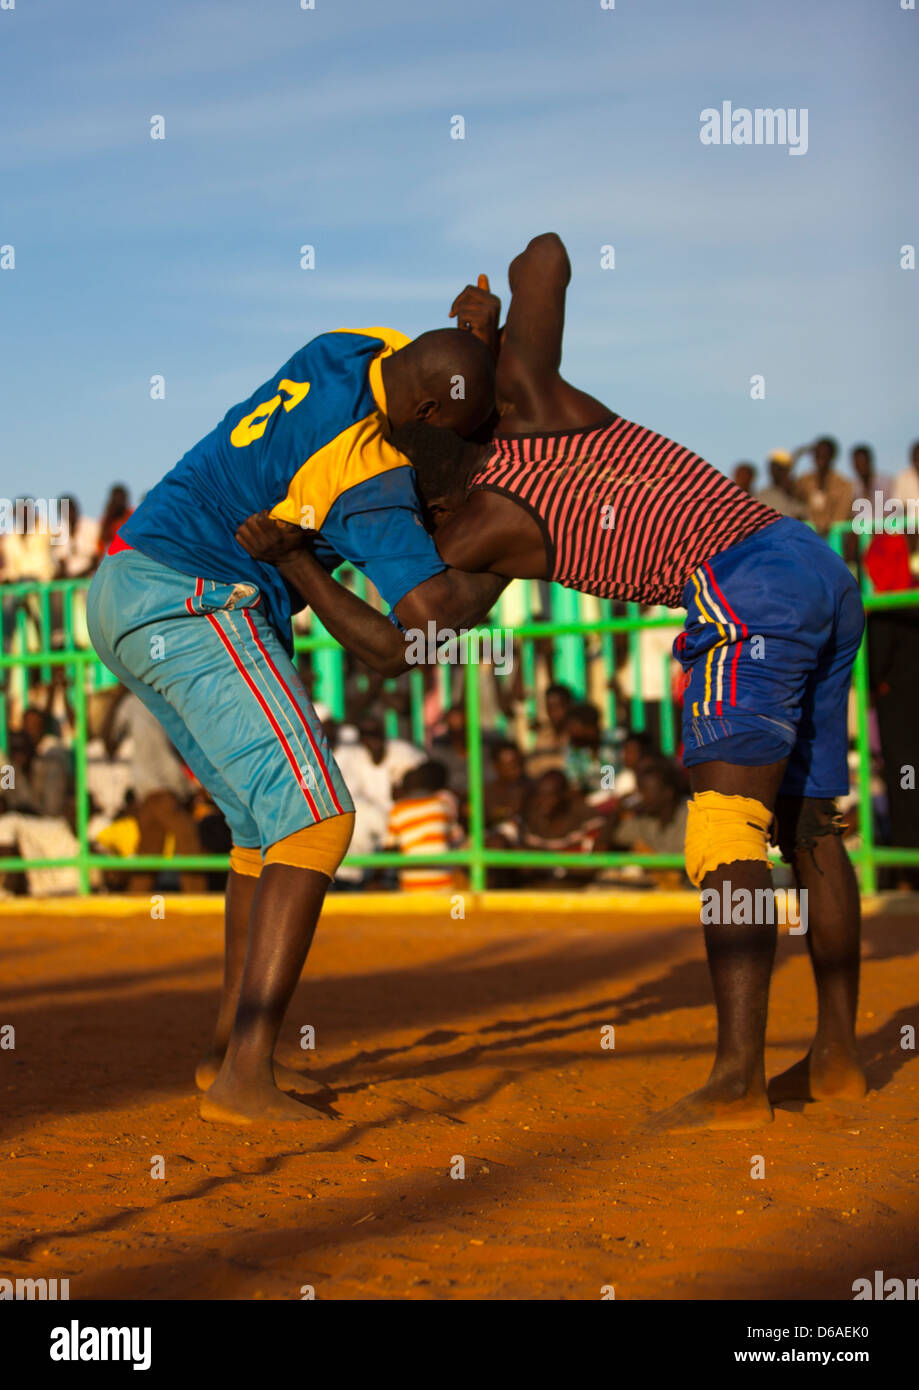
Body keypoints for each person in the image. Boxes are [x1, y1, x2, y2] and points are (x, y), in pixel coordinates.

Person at [268, 235, 866, 1132]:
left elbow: (399, 644)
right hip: (813, 568)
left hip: (739, 587)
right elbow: (544, 255)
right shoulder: (534, 401)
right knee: (808, 823)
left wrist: (302, 571)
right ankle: (836, 1058)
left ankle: (738, 1075)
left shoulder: (468, 540)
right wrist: (490, 333)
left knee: (724, 827)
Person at [88, 324, 503, 1126]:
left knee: (262, 835)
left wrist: (478, 335)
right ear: (421, 408)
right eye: (454, 435)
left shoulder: (349, 346)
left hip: (123, 587)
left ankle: (227, 1056)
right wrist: (503, 559)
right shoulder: (364, 476)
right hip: (195, 597)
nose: (451, 453)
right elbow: (406, 640)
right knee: (318, 821)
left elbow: (441, 366)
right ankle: (245, 1074)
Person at [385, 760, 460, 893]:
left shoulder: (398, 810)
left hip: (412, 882)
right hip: (444, 880)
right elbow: (455, 837)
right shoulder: (441, 805)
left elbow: (390, 847)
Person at [794, 437, 853, 537]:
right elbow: (789, 488)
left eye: (824, 455)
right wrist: (798, 455)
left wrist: (824, 530)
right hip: (808, 536)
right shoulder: (804, 480)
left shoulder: (843, 484)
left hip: (833, 539)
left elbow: (840, 517)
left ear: (832, 457)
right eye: (817, 454)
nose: (820, 458)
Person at [756, 450, 806, 519]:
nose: (776, 471)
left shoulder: (795, 492)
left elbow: (802, 513)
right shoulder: (763, 495)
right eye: (773, 467)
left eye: (779, 468)